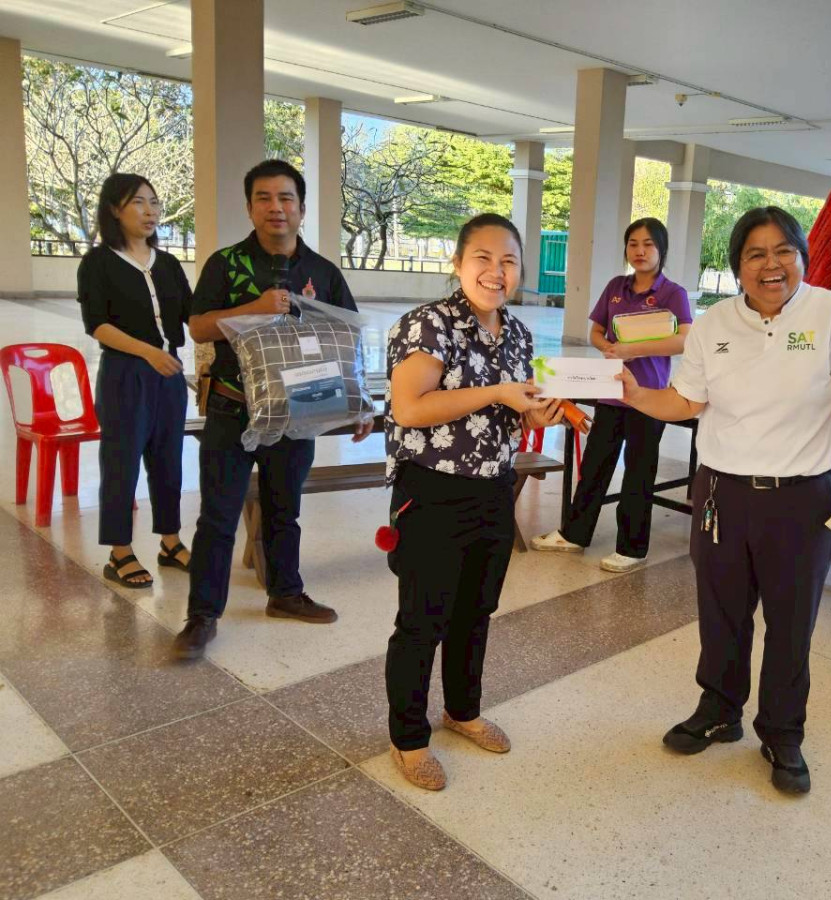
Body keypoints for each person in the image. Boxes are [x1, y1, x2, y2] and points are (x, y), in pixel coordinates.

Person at [617, 206, 831, 795]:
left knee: (791, 622)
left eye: (783, 250)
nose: (771, 264)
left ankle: (782, 733)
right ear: (737, 265)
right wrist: (635, 396)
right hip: (721, 493)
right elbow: (686, 402)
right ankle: (718, 709)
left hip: (803, 499)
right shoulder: (714, 324)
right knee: (722, 612)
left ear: (801, 257)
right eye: (755, 254)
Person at [384, 213, 563, 791]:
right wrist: (497, 392)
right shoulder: (429, 324)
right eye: (482, 258)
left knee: (475, 612)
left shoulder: (518, 334)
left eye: (508, 260)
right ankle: (409, 738)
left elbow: (514, 412)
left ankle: (462, 711)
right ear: (458, 263)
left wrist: (538, 412)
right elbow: (410, 408)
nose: (496, 271)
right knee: (422, 621)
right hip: (433, 491)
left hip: (493, 488)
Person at [173, 159, 372, 660]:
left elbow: (346, 337)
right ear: (249, 207)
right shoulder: (225, 264)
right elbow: (198, 327)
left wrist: (360, 403)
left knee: (285, 510)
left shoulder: (323, 272)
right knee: (218, 517)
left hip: (295, 411)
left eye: (286, 198)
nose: (275, 207)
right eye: (264, 198)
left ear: (302, 208)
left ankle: (285, 593)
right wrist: (254, 309)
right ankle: (201, 616)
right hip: (231, 407)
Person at [531, 218, 692, 573]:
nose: (639, 251)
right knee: (594, 466)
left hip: (649, 398)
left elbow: (683, 340)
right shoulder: (616, 287)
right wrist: (607, 347)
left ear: (661, 249)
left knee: (638, 472)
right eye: (633, 244)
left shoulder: (672, 293)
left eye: (648, 244)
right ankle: (574, 534)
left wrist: (634, 349)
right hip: (609, 393)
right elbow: (596, 331)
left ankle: (632, 548)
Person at [77, 173, 193, 588]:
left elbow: (192, 314)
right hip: (125, 375)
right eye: (139, 202)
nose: (150, 211)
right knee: (121, 463)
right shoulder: (98, 263)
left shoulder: (169, 264)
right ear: (114, 209)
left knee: (168, 461)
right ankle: (119, 551)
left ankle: (170, 543)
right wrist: (148, 352)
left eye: (154, 202)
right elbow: (98, 324)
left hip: (169, 375)